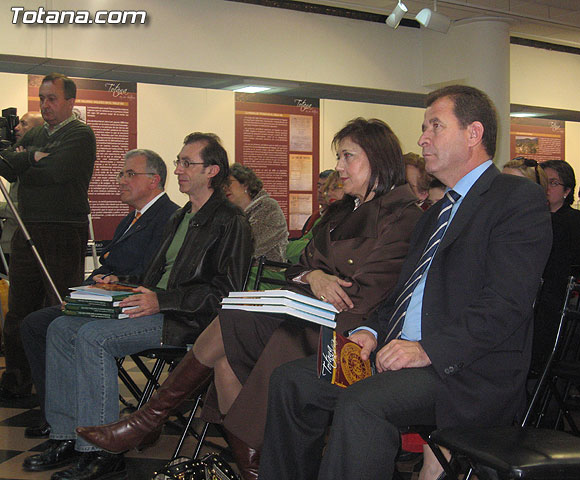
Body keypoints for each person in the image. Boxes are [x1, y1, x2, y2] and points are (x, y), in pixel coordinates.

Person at [75, 118, 424, 480]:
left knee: (231, 323)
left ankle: (148, 419)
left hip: (346, 335)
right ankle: (250, 467)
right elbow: (295, 267)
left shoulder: (401, 216)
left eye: (347, 156)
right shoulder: (340, 212)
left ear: (378, 158)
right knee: (226, 354)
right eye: (339, 156)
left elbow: (364, 296)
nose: (338, 167)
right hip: (305, 317)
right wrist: (316, 276)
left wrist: (313, 281)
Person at [257, 85, 552, 480]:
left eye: (435, 126)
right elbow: (403, 294)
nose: (421, 139)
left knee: (363, 403)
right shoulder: (434, 215)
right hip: (402, 358)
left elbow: (505, 305)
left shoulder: (515, 200)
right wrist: (369, 331)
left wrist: (426, 349)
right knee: (291, 381)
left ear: (473, 134)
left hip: (462, 372)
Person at [21, 133, 253, 480]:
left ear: (212, 171)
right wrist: (120, 281)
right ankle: (67, 434)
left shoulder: (230, 220)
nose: (178, 170)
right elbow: (154, 273)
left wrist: (163, 300)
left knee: (93, 337)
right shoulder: (181, 217)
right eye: (178, 161)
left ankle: (102, 450)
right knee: (60, 327)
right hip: (152, 305)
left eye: (187, 163)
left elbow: (226, 291)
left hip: (186, 320)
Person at [20, 148, 180, 438]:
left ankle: (72, 421)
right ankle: (58, 416)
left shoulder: (169, 218)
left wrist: (116, 280)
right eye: (121, 173)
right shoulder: (130, 219)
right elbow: (108, 263)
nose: (120, 180)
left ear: (154, 180)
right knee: (36, 324)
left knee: (54, 327)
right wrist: (94, 282)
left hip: (132, 304)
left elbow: (154, 273)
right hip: (107, 298)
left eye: (130, 173)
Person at [0, 73, 96, 399]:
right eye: (41, 98)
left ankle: (56, 384)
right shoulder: (38, 132)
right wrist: (31, 158)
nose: (45, 105)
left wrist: (26, 161)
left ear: (70, 101)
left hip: (63, 230)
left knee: (58, 308)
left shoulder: (80, 135)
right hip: (27, 228)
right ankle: (16, 381)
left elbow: (54, 173)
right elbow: (8, 165)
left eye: (51, 98)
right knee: (18, 310)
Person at [533, 160, 580, 370]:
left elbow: (576, 260)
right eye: (543, 182)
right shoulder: (532, 216)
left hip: (558, 289)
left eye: (553, 183)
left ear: (567, 190)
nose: (547, 188)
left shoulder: (576, 219)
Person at [0, 112, 44, 270]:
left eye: (24, 124)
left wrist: (1, 208)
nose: (17, 128)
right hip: (11, 242)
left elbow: (29, 207)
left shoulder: (39, 162)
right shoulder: (18, 155)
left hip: (26, 243)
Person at [224, 163, 288, 262]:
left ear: (245, 184)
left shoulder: (267, 207)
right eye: (222, 185)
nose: (225, 188)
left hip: (265, 271)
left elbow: (252, 246)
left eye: (228, 183)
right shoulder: (230, 213)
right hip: (239, 270)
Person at [300, 169, 333, 235]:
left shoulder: (338, 218)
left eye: (326, 187)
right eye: (318, 186)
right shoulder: (315, 216)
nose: (320, 190)